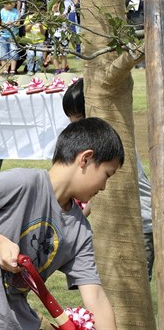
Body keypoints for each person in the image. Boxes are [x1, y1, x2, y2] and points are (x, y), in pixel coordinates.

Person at [0, 117, 122, 329]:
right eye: (107, 174)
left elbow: (95, 296)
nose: (104, 187)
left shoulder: (80, 231)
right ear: (86, 159)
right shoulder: (22, 183)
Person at [62, 78, 154, 281]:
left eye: (77, 117)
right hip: (122, 223)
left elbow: (104, 193)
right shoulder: (103, 143)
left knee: (132, 284)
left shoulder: (109, 150)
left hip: (141, 222)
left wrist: (78, 217)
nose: (73, 125)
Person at [0, 0, 19, 75]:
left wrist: (13, 23)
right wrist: (5, 25)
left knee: (14, 52)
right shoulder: (1, 12)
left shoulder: (16, 11)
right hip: (3, 35)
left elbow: (18, 23)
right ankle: (4, 69)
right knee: (3, 53)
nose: (13, 4)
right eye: (11, 3)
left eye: (14, 3)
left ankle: (13, 69)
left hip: (13, 35)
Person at [23, 2, 46, 75]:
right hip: (30, 40)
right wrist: (32, 23)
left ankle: (38, 69)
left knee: (39, 56)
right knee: (30, 55)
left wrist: (41, 26)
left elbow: (43, 33)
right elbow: (26, 29)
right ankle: (30, 69)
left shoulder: (44, 19)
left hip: (40, 41)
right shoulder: (29, 18)